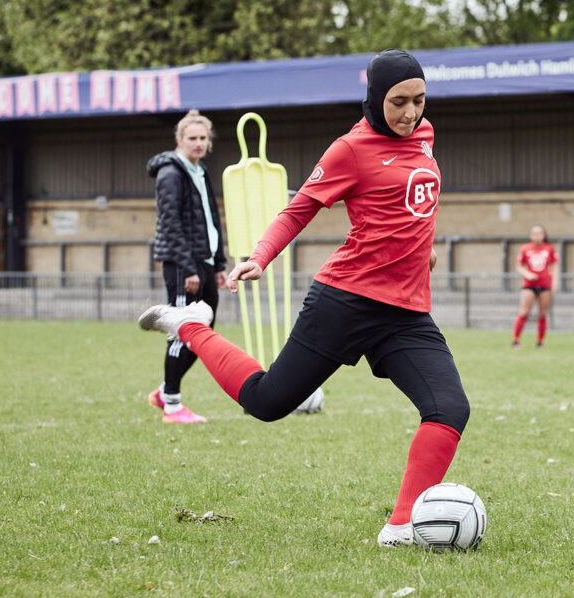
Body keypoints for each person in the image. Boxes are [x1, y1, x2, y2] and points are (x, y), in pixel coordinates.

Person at [138, 49, 470, 547]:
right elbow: (299, 209)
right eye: (398, 102)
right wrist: (261, 255)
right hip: (346, 300)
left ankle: (400, 527)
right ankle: (190, 326)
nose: (410, 113)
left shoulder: (424, 136)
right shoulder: (350, 149)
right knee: (267, 402)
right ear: (375, 99)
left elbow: (414, 202)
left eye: (419, 101)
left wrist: (426, 249)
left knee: (449, 408)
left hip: (405, 313)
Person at [145, 109, 227, 423]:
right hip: (183, 267)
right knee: (182, 332)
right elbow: (171, 223)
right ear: (179, 140)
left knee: (203, 330)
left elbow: (210, 220)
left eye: (203, 138)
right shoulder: (171, 173)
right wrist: (188, 268)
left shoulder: (200, 170)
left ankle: (164, 391)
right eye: (192, 138)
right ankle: (173, 405)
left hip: (205, 262)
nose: (198, 143)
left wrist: (218, 263)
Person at [511, 224, 559, 348]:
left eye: (540, 233)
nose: (537, 236)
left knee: (543, 313)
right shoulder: (526, 248)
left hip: (545, 285)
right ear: (531, 235)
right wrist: (528, 274)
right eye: (534, 233)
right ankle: (515, 341)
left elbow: (554, 266)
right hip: (529, 285)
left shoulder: (549, 248)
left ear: (544, 235)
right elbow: (519, 266)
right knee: (524, 311)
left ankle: (540, 342)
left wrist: (554, 282)